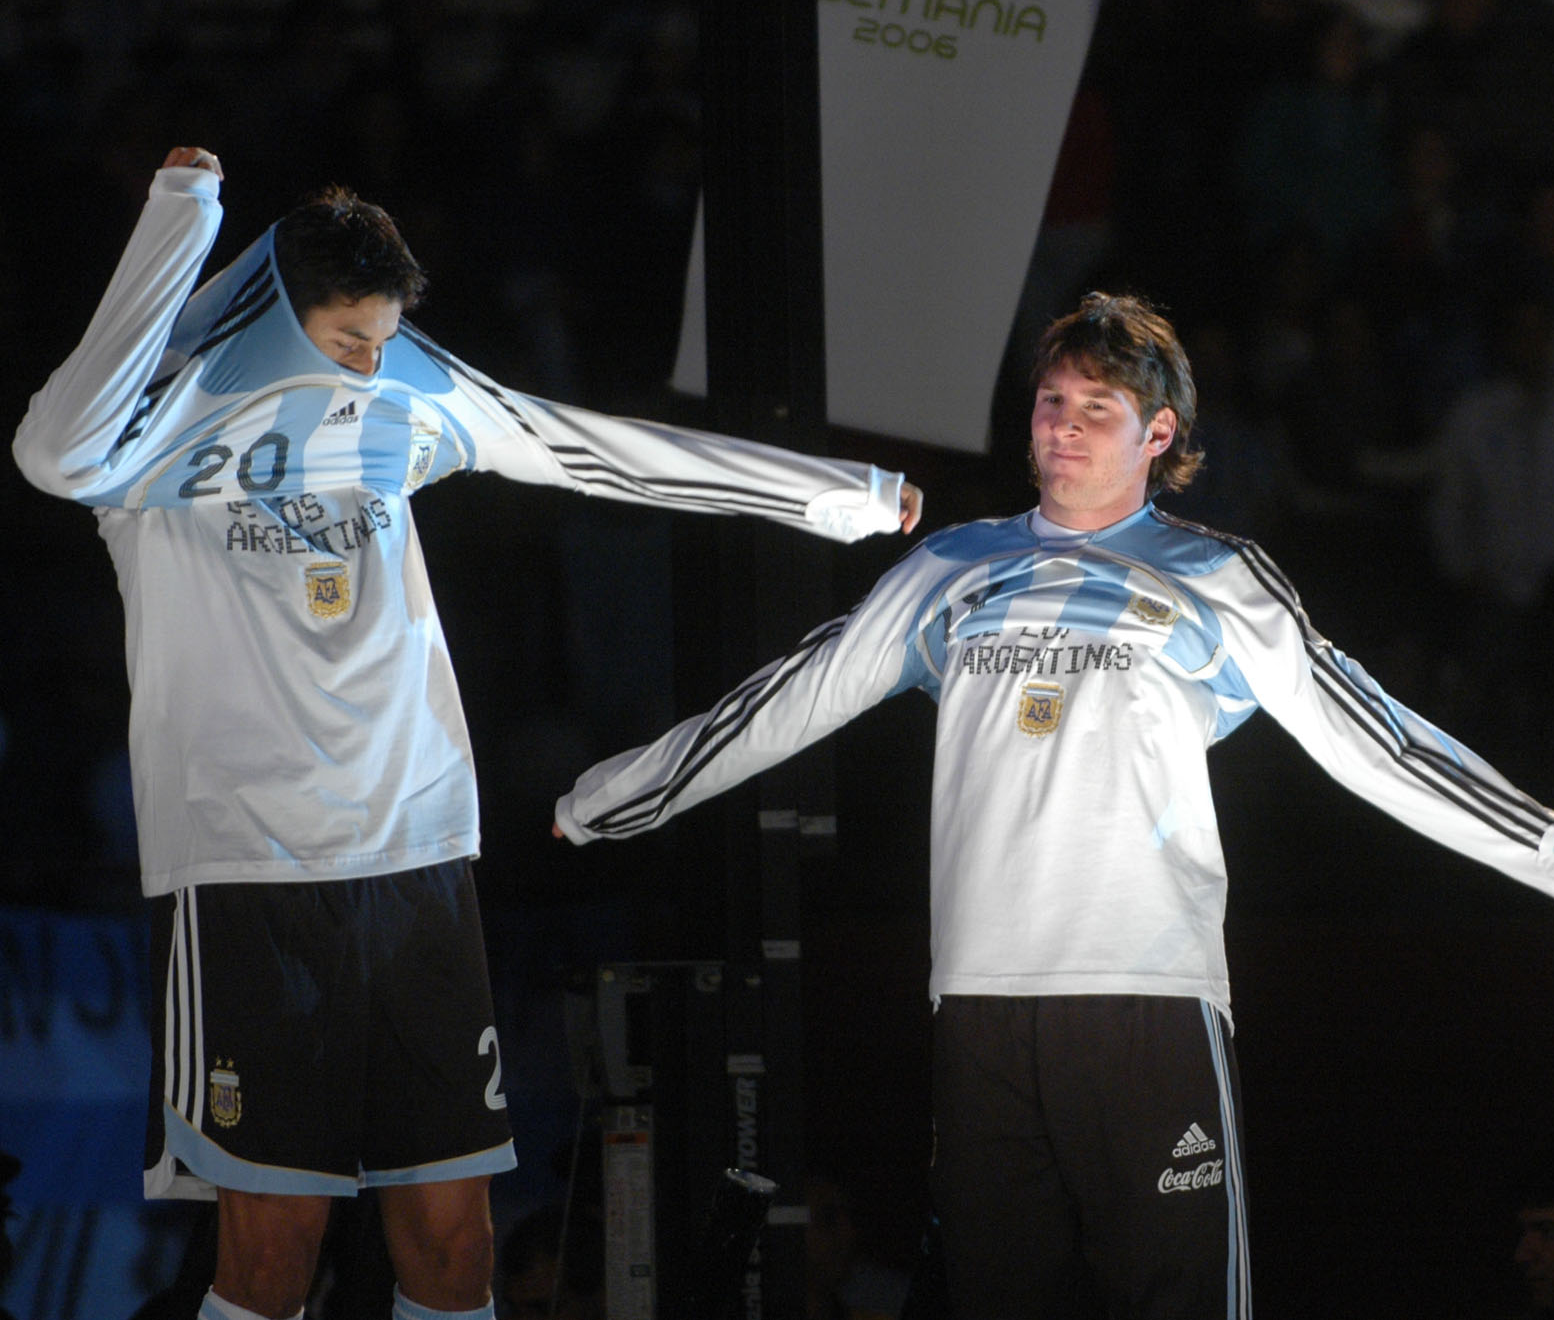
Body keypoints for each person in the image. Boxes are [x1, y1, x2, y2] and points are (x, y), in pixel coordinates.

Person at [554, 292, 1554, 1317]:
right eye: (1050, 403)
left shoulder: (1220, 577)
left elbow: (1380, 743)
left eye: (1095, 410)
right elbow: (790, 698)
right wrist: (610, 800)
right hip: (978, 1001)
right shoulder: (952, 566)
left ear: (1158, 433)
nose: (1063, 429)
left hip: (1145, 997)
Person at [11, 148, 922, 1320]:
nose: (369, 359)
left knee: (451, 1251)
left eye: (385, 334)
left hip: (417, 858)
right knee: (274, 1257)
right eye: (346, 335)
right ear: (282, 307)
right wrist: (180, 217)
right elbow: (51, 450)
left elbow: (602, 452)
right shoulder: (152, 417)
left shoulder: (410, 391)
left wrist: (832, 495)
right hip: (246, 871)